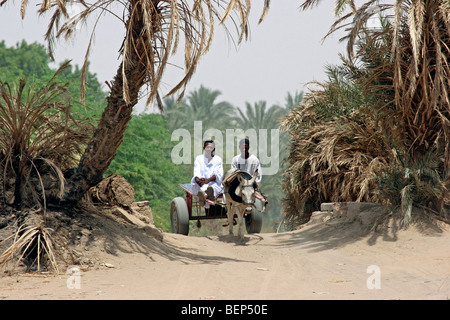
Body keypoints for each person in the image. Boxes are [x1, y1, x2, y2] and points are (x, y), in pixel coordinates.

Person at [191, 140, 223, 206]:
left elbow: (218, 173)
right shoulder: (199, 158)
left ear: (214, 149)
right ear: (204, 148)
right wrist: (198, 180)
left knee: (213, 188)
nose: (209, 149)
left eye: (211, 147)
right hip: (200, 183)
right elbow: (196, 171)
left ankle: (204, 196)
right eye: (207, 147)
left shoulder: (217, 159)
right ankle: (207, 195)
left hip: (213, 183)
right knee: (202, 188)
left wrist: (208, 180)